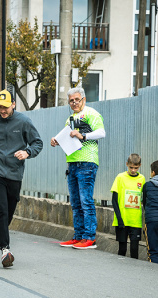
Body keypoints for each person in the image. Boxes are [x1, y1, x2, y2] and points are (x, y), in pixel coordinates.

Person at [0, 90, 43, 268]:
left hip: (14, 174)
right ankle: (5, 250)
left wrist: (27, 152)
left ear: (13, 104)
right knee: (1, 210)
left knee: (9, 212)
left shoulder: (23, 121)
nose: (3, 110)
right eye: (0, 107)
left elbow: (38, 142)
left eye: (6, 107)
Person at [51, 86, 106, 250]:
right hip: (73, 163)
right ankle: (79, 236)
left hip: (87, 162)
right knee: (75, 203)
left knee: (86, 201)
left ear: (84, 99)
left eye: (77, 99)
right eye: (71, 101)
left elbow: (102, 132)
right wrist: (57, 141)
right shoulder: (70, 119)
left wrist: (83, 135)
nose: (74, 103)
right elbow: (69, 139)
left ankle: (89, 237)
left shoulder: (91, 113)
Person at [110, 154, 145, 259]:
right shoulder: (120, 177)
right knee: (122, 249)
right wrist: (119, 219)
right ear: (127, 164)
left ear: (140, 166)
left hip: (135, 220)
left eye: (136, 168)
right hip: (122, 219)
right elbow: (114, 200)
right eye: (131, 167)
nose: (133, 170)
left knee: (134, 250)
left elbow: (144, 198)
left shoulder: (142, 179)